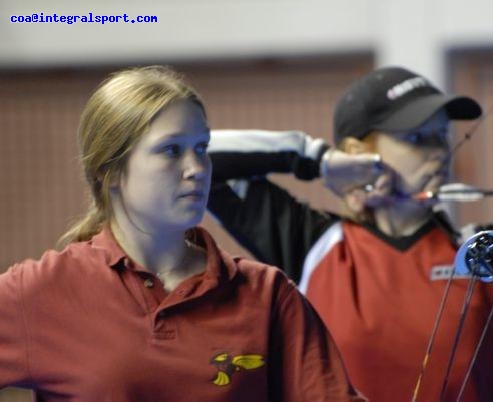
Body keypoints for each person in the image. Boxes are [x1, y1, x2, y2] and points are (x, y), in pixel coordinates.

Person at [207, 66, 493, 402]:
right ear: (356, 151)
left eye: (441, 136)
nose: (438, 152)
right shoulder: (310, 242)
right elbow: (197, 154)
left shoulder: (485, 253)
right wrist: (319, 159)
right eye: (416, 137)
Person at [0, 66, 367, 402]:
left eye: (202, 148)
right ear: (108, 171)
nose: (197, 168)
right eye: (171, 150)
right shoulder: (41, 290)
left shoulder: (268, 295)